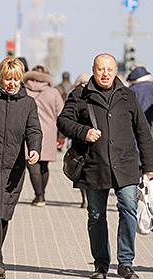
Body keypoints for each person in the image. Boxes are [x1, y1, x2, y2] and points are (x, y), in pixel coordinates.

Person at [57, 53, 153, 279]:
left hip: (125, 165)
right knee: (96, 215)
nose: (105, 74)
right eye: (101, 69)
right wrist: (84, 132)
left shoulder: (127, 96)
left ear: (115, 72)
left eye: (109, 70)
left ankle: (125, 263)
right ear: (94, 70)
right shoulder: (80, 95)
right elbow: (63, 121)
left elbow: (142, 131)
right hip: (95, 164)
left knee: (128, 209)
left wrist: (149, 165)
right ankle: (101, 264)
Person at [0, 56, 42, 279]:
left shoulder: (28, 103)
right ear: (0, 77)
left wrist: (34, 148)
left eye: (16, 79)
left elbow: (34, 130)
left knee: (4, 213)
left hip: (14, 165)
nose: (11, 83)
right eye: (7, 78)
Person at [23, 65, 64, 206]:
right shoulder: (53, 92)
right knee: (44, 165)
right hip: (48, 132)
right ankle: (43, 194)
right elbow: (61, 115)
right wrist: (61, 136)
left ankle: (38, 195)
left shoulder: (23, 91)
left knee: (32, 165)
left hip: (29, 132)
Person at [72, 72, 92, 209]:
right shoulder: (95, 92)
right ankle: (90, 198)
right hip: (94, 137)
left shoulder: (75, 93)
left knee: (81, 169)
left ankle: (84, 198)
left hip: (79, 137)